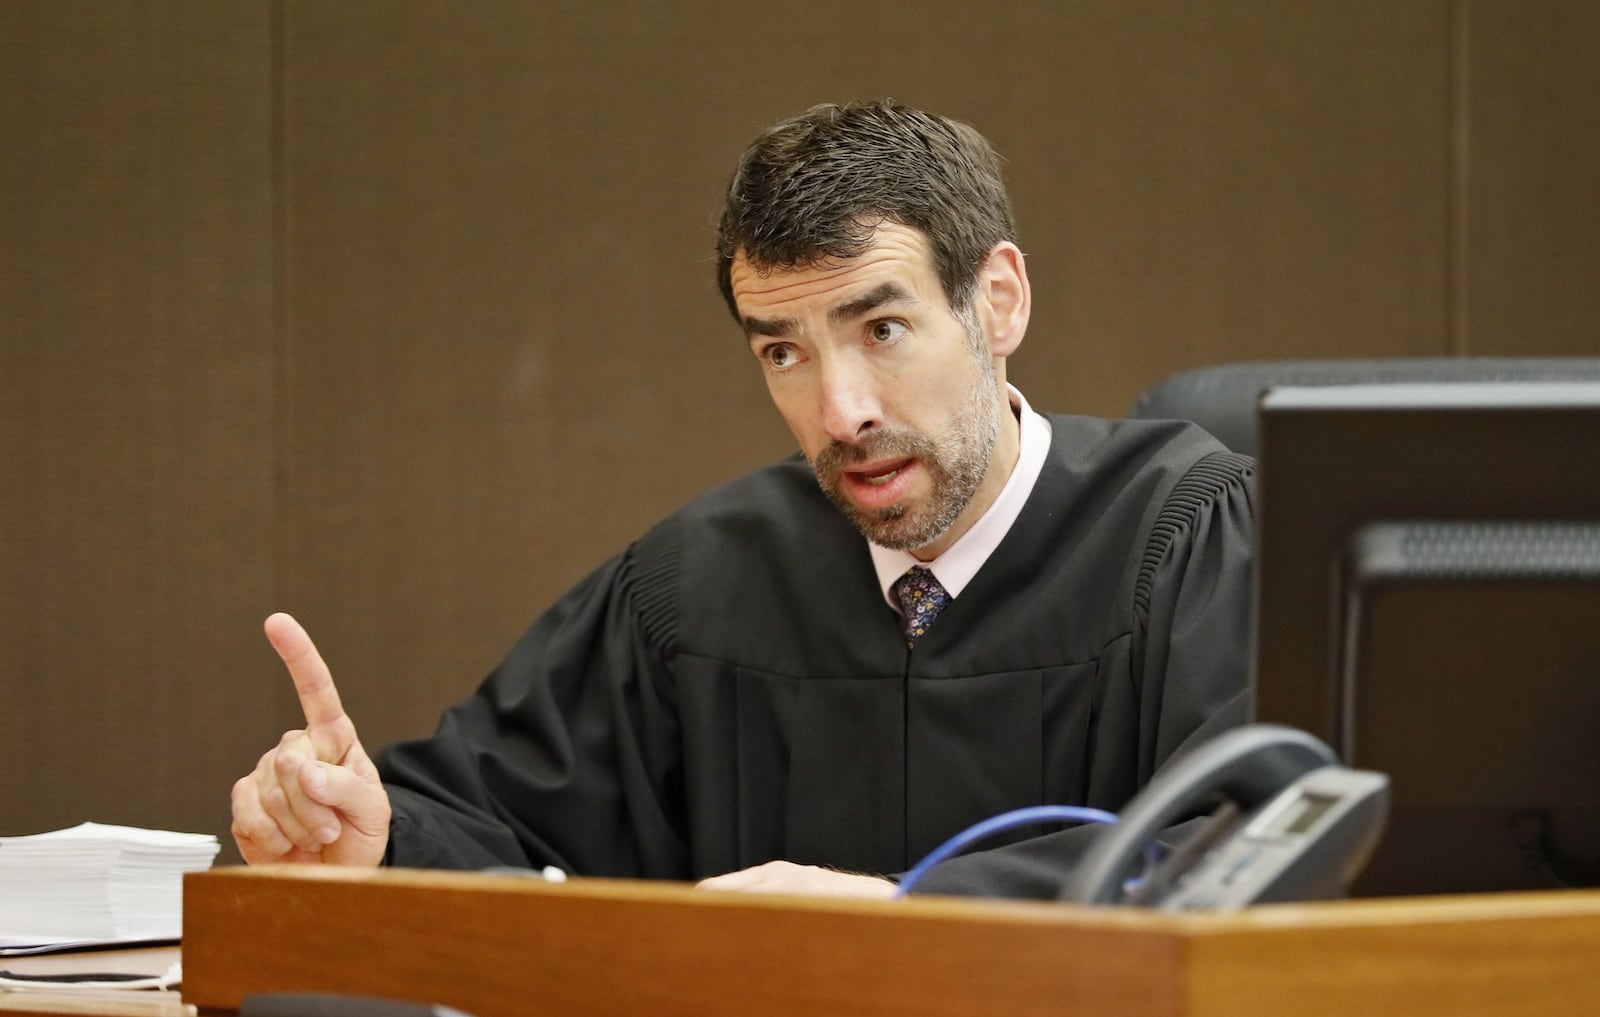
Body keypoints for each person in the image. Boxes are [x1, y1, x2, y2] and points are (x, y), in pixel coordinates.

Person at [230, 100, 1253, 900]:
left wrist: (905, 906)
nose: (840, 410)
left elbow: (1259, 847)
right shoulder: (702, 582)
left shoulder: (1183, 540)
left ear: (998, 302)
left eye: (881, 330)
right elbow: (491, 815)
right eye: (782, 351)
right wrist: (373, 837)